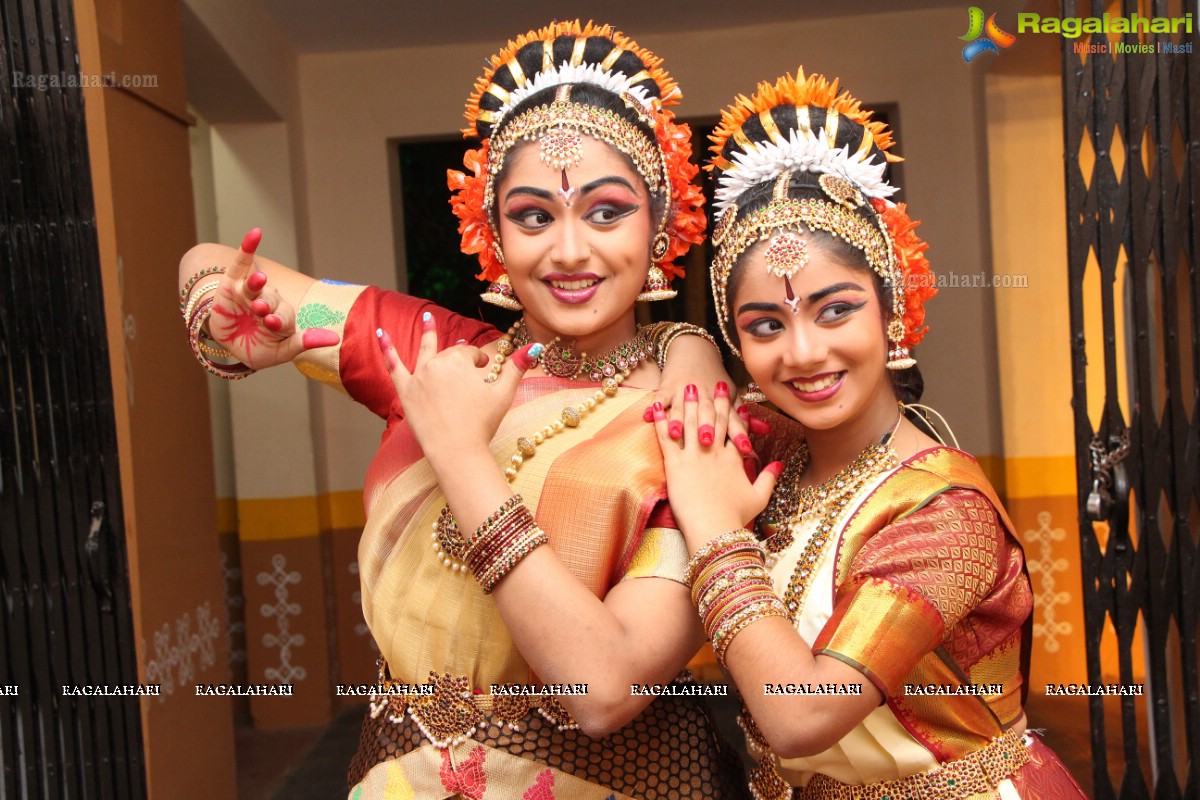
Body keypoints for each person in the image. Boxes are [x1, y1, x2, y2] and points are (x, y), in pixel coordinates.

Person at [179, 20, 751, 800]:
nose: (570, 251)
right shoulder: (438, 356)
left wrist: (460, 453)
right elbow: (209, 261)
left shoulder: (695, 421)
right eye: (534, 216)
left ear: (663, 224)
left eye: (608, 211)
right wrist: (221, 310)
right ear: (492, 231)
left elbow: (605, 689)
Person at [652, 69, 1087, 799]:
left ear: (892, 314)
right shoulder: (779, 455)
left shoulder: (945, 513)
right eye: (765, 324)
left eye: (834, 310)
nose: (803, 352)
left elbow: (803, 716)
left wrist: (711, 528)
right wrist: (688, 346)